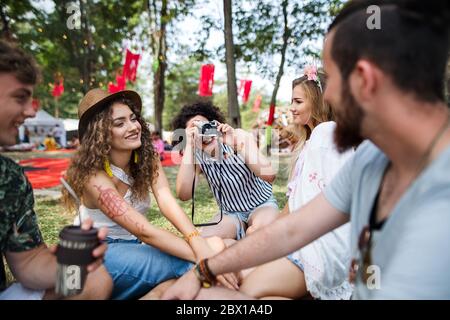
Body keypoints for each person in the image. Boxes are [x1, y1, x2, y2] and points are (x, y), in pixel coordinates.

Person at [162, 0, 450, 300]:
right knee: (207, 294)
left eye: (333, 79)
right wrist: (203, 270)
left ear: (365, 79)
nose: (330, 96)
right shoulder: (368, 158)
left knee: (215, 296)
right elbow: (293, 228)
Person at [64, 89, 237, 299]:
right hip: (90, 257)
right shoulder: (94, 176)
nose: (133, 127)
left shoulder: (147, 157)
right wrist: (205, 253)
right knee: (216, 250)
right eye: (120, 123)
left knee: (217, 249)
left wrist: (196, 240)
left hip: (132, 248)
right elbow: (144, 231)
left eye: (133, 118)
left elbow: (167, 202)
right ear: (99, 134)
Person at [0, 39, 112, 300]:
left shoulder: (9, 177)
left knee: (92, 280)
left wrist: (75, 264)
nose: (29, 112)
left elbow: (28, 263)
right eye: (19, 98)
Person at [238, 69, 354, 300]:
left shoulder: (327, 133)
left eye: (298, 101)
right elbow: (294, 204)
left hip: (320, 244)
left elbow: (325, 203)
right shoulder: (310, 143)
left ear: (320, 102)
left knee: (248, 290)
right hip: (303, 237)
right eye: (291, 100)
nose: (291, 107)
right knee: (243, 273)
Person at [172, 101, 278, 240]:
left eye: (205, 125)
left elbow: (269, 175)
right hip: (230, 213)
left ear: (215, 124)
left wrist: (236, 145)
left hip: (262, 204)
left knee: (259, 234)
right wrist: (190, 145)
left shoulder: (239, 136)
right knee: (204, 241)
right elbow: (184, 194)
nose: (202, 132)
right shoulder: (196, 154)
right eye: (195, 129)